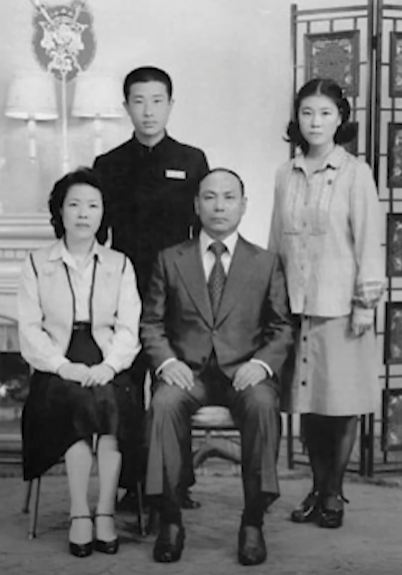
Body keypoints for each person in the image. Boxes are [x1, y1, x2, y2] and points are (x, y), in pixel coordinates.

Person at [140, 168, 294, 565]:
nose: (219, 206)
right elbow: (151, 323)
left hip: (244, 372)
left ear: (244, 206)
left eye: (229, 197)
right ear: (196, 205)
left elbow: (281, 327)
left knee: (262, 403)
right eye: (209, 197)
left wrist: (261, 364)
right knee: (163, 404)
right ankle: (170, 519)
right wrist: (167, 362)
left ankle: (253, 521)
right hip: (188, 373)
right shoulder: (170, 259)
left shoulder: (265, 262)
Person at [269, 78, 385, 529]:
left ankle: (334, 492)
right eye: (307, 113)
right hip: (296, 307)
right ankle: (317, 488)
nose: (315, 122)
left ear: (341, 119)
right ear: (296, 119)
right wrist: (271, 300)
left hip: (341, 307)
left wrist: (365, 303)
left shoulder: (355, 173)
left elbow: (369, 242)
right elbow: (276, 242)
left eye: (325, 113)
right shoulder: (286, 174)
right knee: (310, 405)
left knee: (340, 403)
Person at [94, 66, 209, 510]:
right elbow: (99, 238)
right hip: (125, 293)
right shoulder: (109, 165)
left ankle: (177, 484)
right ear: (126, 106)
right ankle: (133, 485)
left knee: (174, 387)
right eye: (139, 101)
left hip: (178, 295)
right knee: (126, 387)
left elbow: (204, 232)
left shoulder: (191, 160)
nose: (148, 111)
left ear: (170, 105)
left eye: (157, 101)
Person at [18, 168, 141, 557]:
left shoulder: (120, 264)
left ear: (104, 213)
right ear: (60, 211)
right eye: (74, 205)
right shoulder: (37, 263)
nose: (83, 214)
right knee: (75, 402)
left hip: (107, 358)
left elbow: (129, 327)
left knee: (111, 403)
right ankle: (79, 513)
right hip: (56, 363)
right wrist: (61, 365)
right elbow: (29, 330)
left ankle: (104, 512)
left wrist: (110, 366)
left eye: (92, 205)